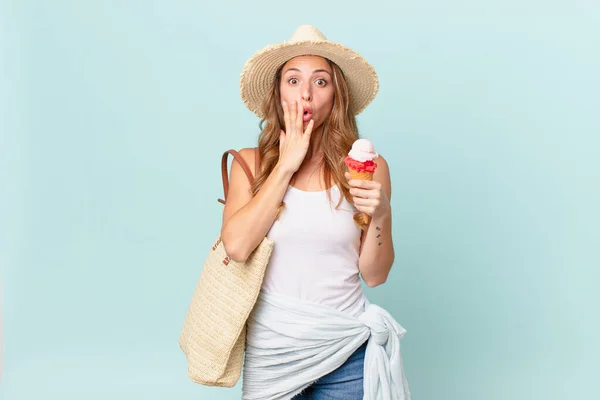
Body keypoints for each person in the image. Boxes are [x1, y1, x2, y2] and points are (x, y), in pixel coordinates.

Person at [220, 25, 410, 400]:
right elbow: (237, 248)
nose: (305, 92)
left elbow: (375, 275)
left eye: (320, 81)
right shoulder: (250, 164)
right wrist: (286, 164)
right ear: (278, 92)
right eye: (293, 80)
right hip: (271, 352)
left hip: (345, 353)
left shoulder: (366, 166)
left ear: (336, 94)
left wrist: (382, 216)